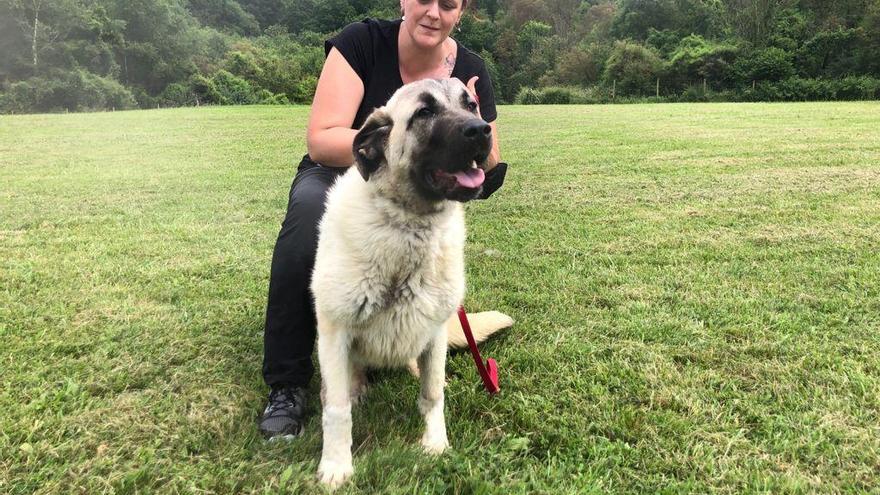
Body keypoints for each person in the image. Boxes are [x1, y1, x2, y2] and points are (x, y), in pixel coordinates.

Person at [259, 0, 508, 440]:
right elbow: (322, 138)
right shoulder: (362, 42)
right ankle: (287, 382)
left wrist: (471, 117)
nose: (434, 12)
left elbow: (490, 160)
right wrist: (391, 139)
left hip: (420, 187)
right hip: (347, 171)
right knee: (306, 220)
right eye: (424, 0)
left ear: (461, 11)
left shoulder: (471, 68)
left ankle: (406, 344)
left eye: (448, 3)